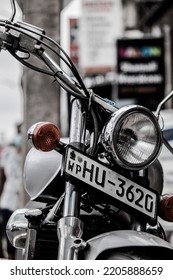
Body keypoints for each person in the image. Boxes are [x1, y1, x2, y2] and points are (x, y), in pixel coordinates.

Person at [0, 125, 23, 259]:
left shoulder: (30, 153)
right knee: (8, 234)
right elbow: (2, 177)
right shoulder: (8, 154)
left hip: (22, 201)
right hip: (8, 200)